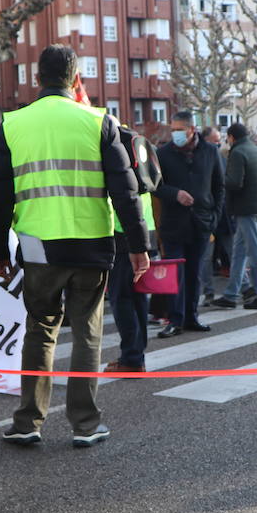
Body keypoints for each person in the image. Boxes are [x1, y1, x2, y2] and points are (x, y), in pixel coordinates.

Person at [0, 44, 149, 448]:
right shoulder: (98, 121)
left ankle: (28, 421)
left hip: (39, 245)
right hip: (91, 242)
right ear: (76, 80)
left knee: (40, 328)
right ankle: (85, 424)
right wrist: (138, 244)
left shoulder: (14, 123)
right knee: (88, 333)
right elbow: (126, 192)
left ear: (36, 79)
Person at [155, 110, 224, 337]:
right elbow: (154, 186)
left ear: (191, 129)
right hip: (174, 222)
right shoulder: (163, 154)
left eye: (179, 129)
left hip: (201, 222)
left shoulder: (210, 152)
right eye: (172, 129)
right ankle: (174, 319)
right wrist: (175, 194)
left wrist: (214, 217)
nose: (175, 133)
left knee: (194, 272)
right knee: (176, 273)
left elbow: (219, 187)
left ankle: (191, 316)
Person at [104, 124, 159, 371]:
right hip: (145, 230)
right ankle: (138, 355)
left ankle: (132, 358)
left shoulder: (113, 148)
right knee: (138, 298)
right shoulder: (137, 145)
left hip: (120, 232)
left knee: (121, 298)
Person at [214, 122, 257, 310]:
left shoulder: (237, 153)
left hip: (244, 208)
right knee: (239, 252)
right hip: (256, 206)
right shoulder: (256, 150)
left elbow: (234, 183)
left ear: (231, 137)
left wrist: (219, 179)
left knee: (255, 252)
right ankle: (231, 294)